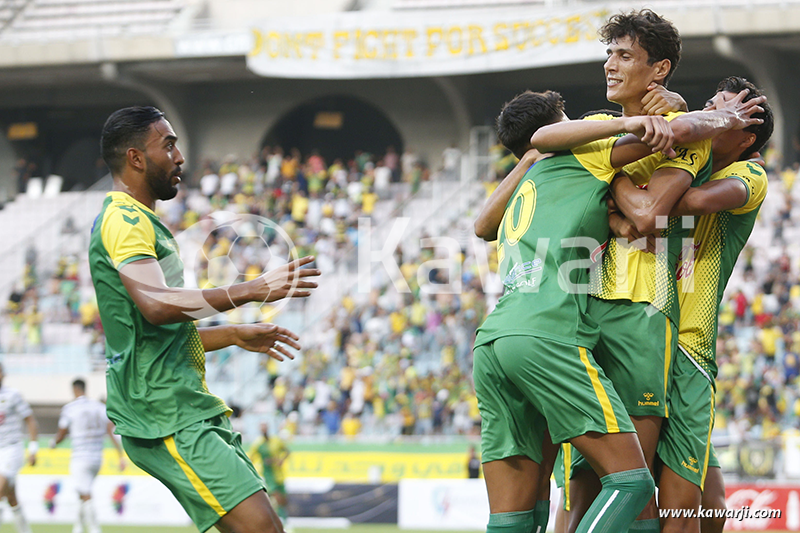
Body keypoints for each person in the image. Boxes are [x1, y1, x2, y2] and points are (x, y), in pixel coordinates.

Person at [473, 88, 764, 533]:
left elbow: (482, 226)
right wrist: (693, 118)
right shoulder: (587, 153)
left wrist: (686, 116)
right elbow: (648, 211)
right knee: (617, 487)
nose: (611, 64)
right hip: (590, 324)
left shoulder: (746, 173)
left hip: (665, 341)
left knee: (700, 499)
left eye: (622, 54)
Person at [89, 106, 320, 533]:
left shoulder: (142, 221)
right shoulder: (124, 219)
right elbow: (157, 306)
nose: (179, 158)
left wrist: (231, 334)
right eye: (169, 145)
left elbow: (155, 331)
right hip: (163, 410)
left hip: (181, 404)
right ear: (137, 158)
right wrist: (251, 290)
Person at [654, 77, 773, 533]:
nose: (712, 114)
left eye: (728, 113)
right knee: (711, 494)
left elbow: (693, 201)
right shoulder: (689, 159)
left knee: (687, 495)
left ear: (745, 139)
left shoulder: (750, 174)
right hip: (645, 329)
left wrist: (683, 142)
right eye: (711, 105)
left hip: (687, 343)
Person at [51, 378, 126, 533]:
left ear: (74, 390)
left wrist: (53, 443)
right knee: (81, 491)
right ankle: (77, 528)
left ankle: (94, 529)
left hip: (80, 457)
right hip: (97, 457)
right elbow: (110, 430)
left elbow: (62, 433)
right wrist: (120, 454)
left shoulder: (70, 408)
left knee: (85, 493)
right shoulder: (99, 407)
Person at [0, 363, 38, 533]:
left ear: (3, 374)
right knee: (11, 497)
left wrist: (33, 448)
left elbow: (30, 420)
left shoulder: (13, 395)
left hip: (11, 449)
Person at [249, 423, 291, 530]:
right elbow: (251, 457)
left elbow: (287, 451)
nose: (264, 430)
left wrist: (281, 460)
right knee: (276, 497)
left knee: (283, 500)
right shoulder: (258, 443)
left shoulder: (276, 440)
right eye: (261, 428)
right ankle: (279, 520)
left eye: (265, 427)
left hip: (279, 474)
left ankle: (284, 519)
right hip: (268, 475)